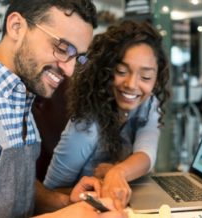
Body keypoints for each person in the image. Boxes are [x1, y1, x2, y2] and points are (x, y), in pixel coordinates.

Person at [0, 0, 125, 217]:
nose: (70, 70)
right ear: (16, 26)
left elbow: (10, 187)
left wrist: (64, 203)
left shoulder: (22, 96)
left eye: (77, 57)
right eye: (62, 48)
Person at [43, 20, 170, 209]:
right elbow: (50, 193)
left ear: (156, 80)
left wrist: (117, 172)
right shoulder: (86, 125)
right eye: (121, 71)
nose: (132, 84)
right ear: (105, 71)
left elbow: (146, 155)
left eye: (146, 77)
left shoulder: (150, 104)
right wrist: (100, 188)